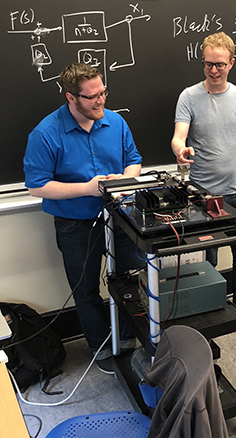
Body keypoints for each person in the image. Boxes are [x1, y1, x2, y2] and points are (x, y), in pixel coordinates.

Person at [23, 63, 145, 374]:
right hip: (75, 223)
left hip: (119, 217)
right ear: (71, 97)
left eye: (103, 92)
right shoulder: (45, 133)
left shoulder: (116, 123)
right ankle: (101, 349)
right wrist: (88, 189)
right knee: (86, 289)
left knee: (129, 279)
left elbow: (134, 160)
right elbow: (37, 187)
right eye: (92, 97)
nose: (100, 100)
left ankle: (128, 340)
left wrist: (124, 181)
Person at [171, 32, 236, 323]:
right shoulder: (188, 96)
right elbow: (178, 136)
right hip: (201, 196)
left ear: (231, 63)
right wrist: (181, 150)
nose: (214, 70)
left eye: (220, 65)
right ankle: (209, 304)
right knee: (207, 255)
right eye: (208, 64)